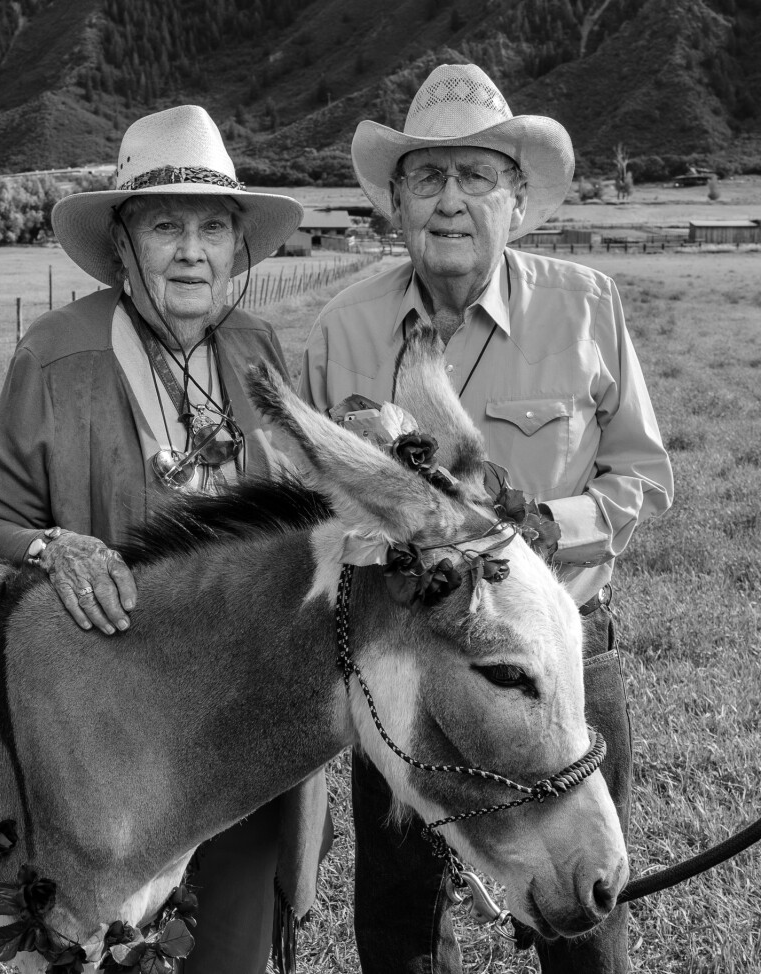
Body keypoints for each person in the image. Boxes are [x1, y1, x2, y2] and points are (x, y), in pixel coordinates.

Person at [299, 63, 674, 974]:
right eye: (427, 177)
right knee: (397, 927)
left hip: (567, 661)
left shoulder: (586, 306)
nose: (452, 201)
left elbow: (643, 475)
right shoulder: (342, 328)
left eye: (477, 177)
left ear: (516, 199)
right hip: (406, 684)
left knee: (582, 913)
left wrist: (547, 527)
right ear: (395, 203)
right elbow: (310, 514)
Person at [0, 104, 331, 974]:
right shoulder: (58, 353)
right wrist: (56, 548)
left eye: (213, 227)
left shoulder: (258, 349)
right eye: (166, 226)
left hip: (247, 734)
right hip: (106, 748)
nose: (192, 250)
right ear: (123, 246)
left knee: (232, 952)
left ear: (239, 247)